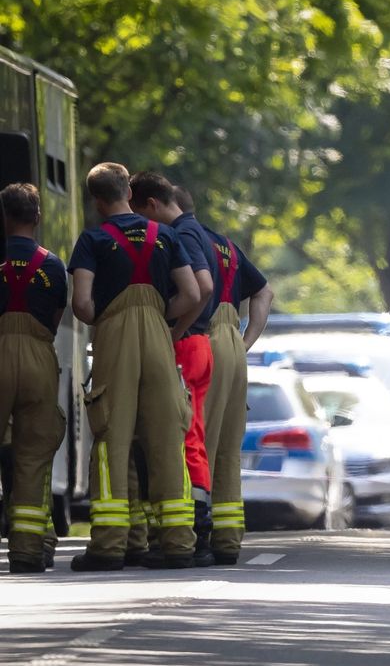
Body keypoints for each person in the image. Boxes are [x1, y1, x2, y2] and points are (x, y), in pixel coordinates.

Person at [67, 162, 201, 571]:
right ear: (128, 189)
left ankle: (109, 546)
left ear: (96, 200)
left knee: (112, 437)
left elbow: (82, 304)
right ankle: (178, 542)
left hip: (115, 337)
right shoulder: (166, 236)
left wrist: (109, 320)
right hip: (160, 337)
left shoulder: (91, 240)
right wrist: (161, 315)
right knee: (166, 437)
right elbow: (193, 293)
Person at [128, 172, 217, 565]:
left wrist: (171, 326)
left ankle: (191, 534)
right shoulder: (203, 232)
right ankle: (199, 531)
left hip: (187, 343)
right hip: (201, 344)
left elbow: (202, 288)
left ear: (151, 204)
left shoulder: (181, 235)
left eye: (140, 212)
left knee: (178, 439)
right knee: (191, 435)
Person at [184, 187, 271, 566]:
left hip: (206, 336)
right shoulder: (227, 246)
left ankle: (194, 534)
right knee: (229, 449)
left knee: (199, 439)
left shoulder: (185, 238)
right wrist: (245, 340)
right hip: (233, 340)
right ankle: (228, 538)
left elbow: (195, 291)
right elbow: (264, 292)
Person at [0, 183, 68, 573]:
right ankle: (26, 553)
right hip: (40, 357)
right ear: (37, 217)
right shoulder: (52, 264)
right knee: (32, 455)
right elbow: (57, 317)